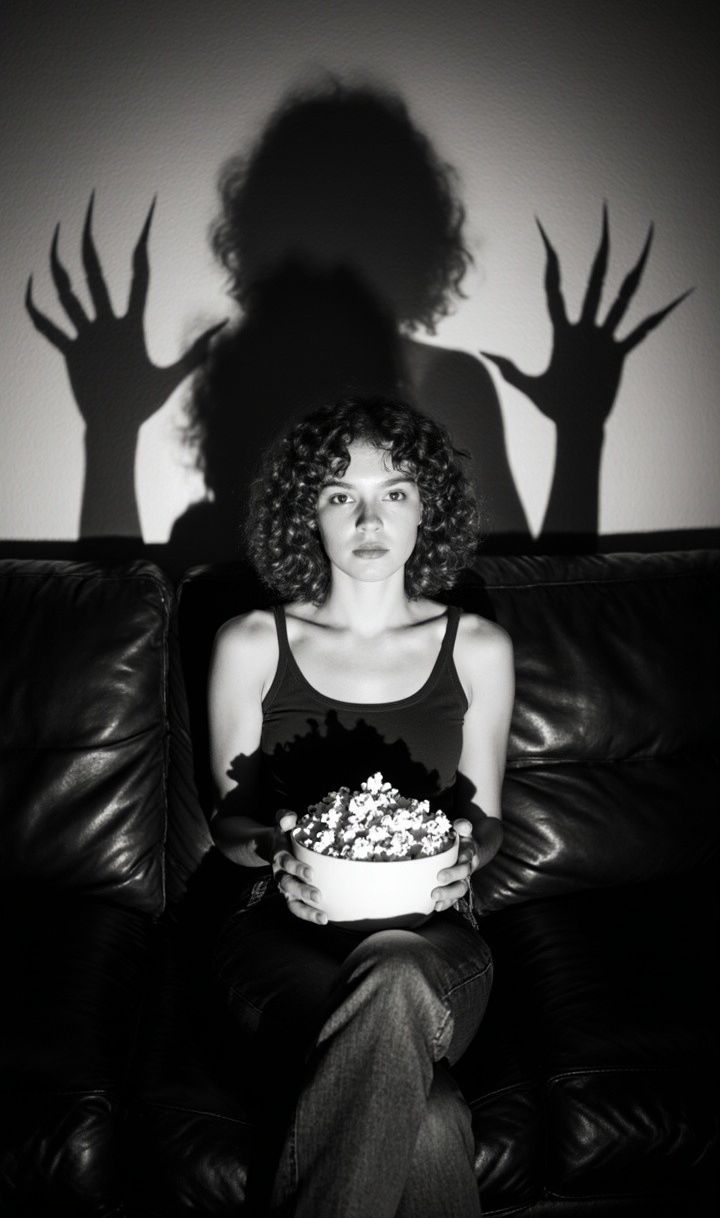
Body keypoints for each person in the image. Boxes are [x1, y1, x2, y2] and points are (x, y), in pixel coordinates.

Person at [208, 395, 515, 1216]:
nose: (370, 516)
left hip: (438, 942)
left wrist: (464, 853)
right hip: (277, 934)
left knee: (396, 973)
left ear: (429, 510)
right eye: (342, 494)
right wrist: (278, 850)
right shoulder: (251, 643)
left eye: (397, 492)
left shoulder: (478, 647)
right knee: (434, 1118)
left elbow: (486, 821)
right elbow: (228, 821)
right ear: (308, 511)